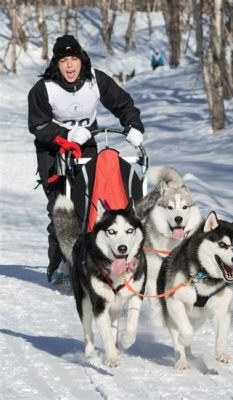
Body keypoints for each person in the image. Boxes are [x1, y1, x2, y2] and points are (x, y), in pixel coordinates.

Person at [28, 34, 144, 284]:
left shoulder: (95, 80)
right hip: (53, 151)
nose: (69, 66)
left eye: (73, 59)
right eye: (63, 60)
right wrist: (66, 134)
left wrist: (133, 125)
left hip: (87, 148)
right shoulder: (44, 89)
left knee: (91, 203)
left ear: (81, 60)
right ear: (56, 64)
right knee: (61, 207)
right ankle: (59, 264)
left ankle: (95, 260)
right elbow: (38, 126)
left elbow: (122, 103)